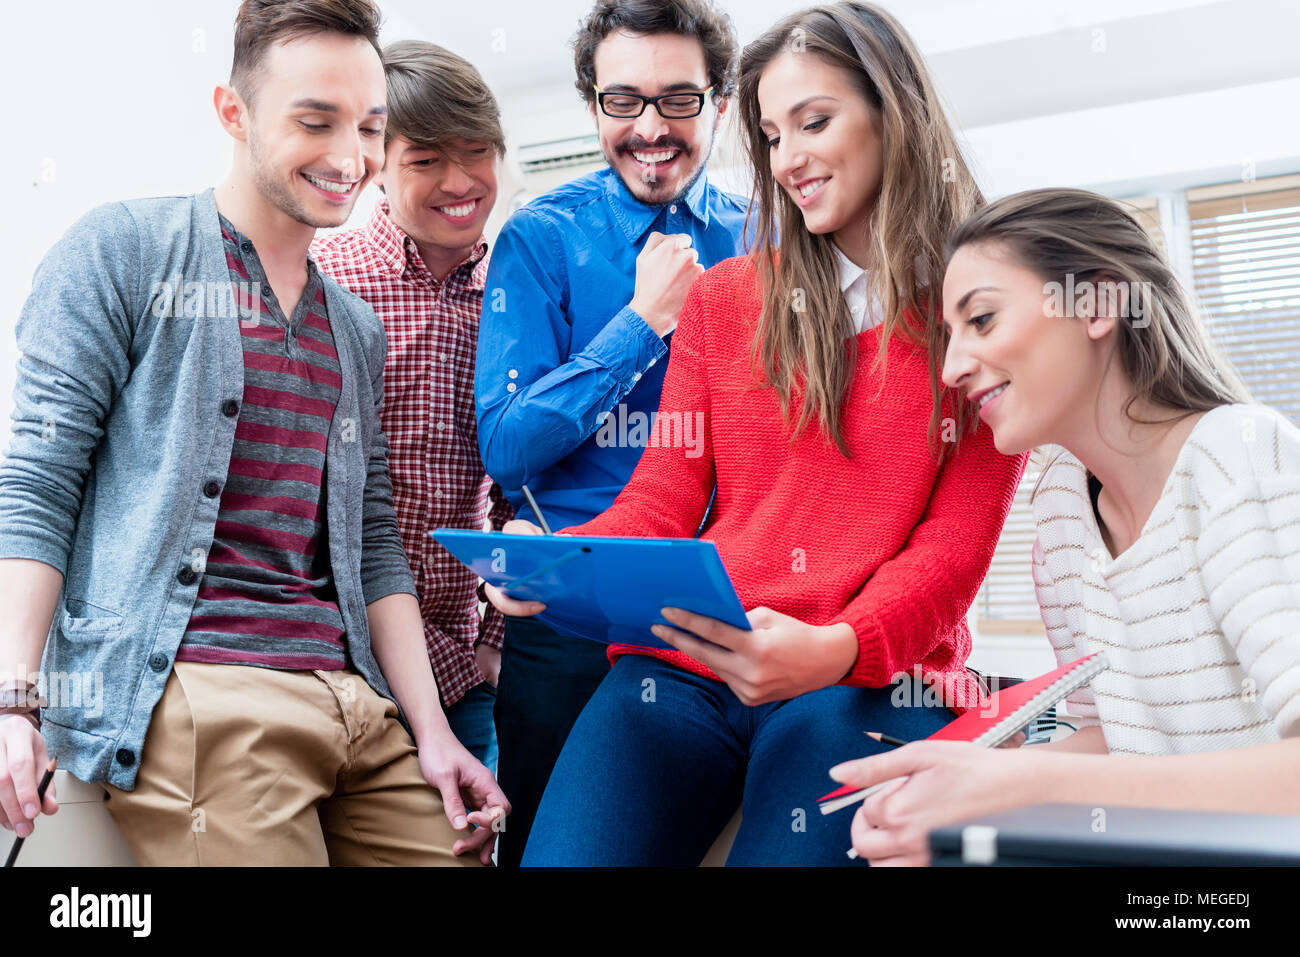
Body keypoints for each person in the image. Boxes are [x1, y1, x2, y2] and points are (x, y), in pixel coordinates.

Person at [487, 0, 1028, 866]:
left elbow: (952, 549)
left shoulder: (980, 309)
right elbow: (661, 499)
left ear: (896, 112)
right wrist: (564, 564)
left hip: (867, 673)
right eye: (774, 135)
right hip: (691, 664)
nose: (791, 160)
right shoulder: (727, 297)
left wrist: (834, 648)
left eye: (815, 122)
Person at [0, 0, 504, 866]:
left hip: (357, 705)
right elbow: (37, 483)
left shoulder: (354, 329)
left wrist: (432, 733)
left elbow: (374, 543)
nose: (350, 157)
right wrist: (14, 701)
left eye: (370, 128)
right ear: (233, 113)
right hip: (200, 692)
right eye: (316, 121)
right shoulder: (122, 251)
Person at [837, 187, 1300, 866]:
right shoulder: (1059, 509)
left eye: (983, 319)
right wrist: (959, 791)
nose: (952, 367)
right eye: (950, 334)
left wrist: (1022, 781)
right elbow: (1114, 735)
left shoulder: (1240, 459)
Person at [475, 0, 750, 865]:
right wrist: (642, 321)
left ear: (721, 104)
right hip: (569, 616)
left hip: (727, 617)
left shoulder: (768, 238)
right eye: (623, 100)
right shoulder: (538, 239)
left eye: (678, 99)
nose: (651, 129)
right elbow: (509, 444)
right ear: (593, 105)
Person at [312, 40, 513, 773]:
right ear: (377, 165)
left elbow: (524, 490)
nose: (459, 181)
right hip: (333, 656)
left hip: (460, 670)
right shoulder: (323, 276)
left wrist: (495, 643)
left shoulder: (515, 292)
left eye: (477, 151)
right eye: (426, 160)